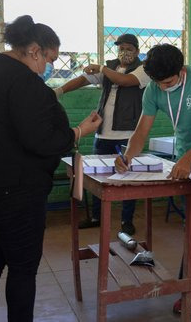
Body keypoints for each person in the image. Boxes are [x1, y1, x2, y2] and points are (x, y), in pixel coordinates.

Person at [0, 15, 102, 322]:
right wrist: (80, 130)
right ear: (34, 50)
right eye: (49, 59)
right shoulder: (24, 82)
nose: (48, 68)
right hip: (11, 191)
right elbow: (44, 141)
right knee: (22, 268)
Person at [114, 43, 191, 316]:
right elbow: (141, 131)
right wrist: (128, 157)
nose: (163, 86)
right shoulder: (155, 88)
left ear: (181, 70)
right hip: (187, 163)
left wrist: (188, 158)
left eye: (168, 81)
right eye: (158, 82)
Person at [53, 34, 150, 235]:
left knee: (128, 179)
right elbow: (82, 80)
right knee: (98, 178)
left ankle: (126, 221)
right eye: (121, 48)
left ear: (137, 52)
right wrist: (59, 91)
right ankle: (97, 217)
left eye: (129, 48)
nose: (124, 52)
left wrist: (101, 68)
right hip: (103, 133)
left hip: (128, 135)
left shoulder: (143, 69)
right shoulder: (109, 68)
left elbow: (124, 81)